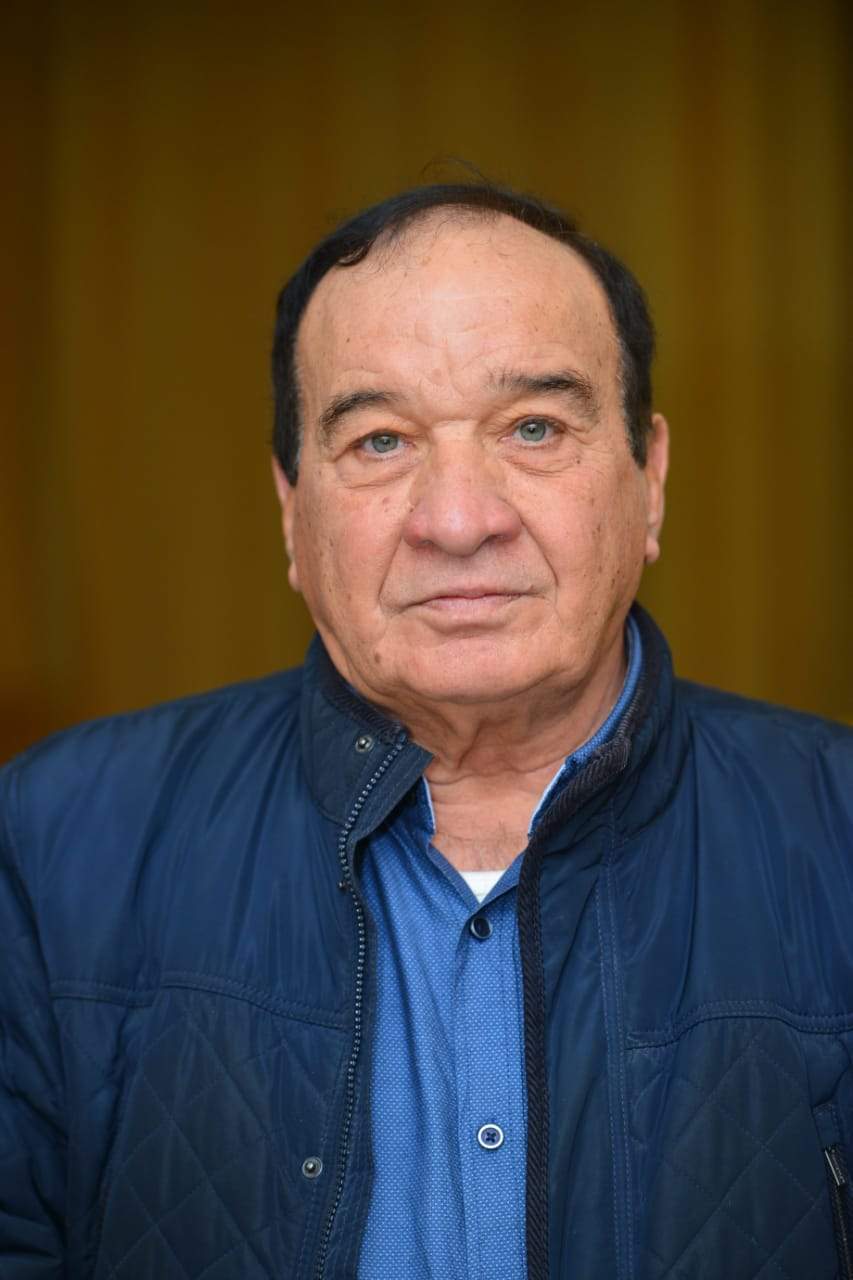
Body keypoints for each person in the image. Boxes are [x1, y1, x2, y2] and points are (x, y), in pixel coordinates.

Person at [1, 182, 851, 1280]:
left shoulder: (834, 833)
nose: (458, 519)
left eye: (533, 427)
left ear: (648, 480)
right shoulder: (53, 843)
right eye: (380, 440)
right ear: (291, 511)